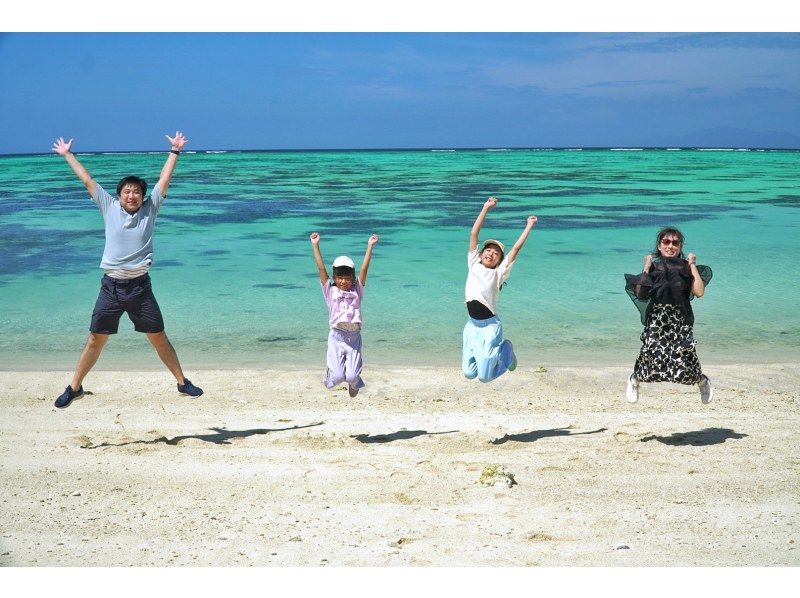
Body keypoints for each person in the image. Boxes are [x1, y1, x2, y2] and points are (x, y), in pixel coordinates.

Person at [51, 132, 203, 409]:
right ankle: (74, 388)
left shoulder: (150, 209)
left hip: (141, 287)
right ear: (119, 195)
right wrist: (68, 155)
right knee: (96, 339)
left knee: (158, 336)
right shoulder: (108, 206)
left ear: (143, 197)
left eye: (137, 192)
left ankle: (182, 382)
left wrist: (175, 152)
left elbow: (164, 181)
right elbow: (87, 181)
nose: (132, 195)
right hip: (111, 287)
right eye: (127, 192)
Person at [624, 227, 713, 404]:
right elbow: (641, 294)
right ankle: (635, 379)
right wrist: (646, 268)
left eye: (675, 243)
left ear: (680, 247)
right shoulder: (653, 267)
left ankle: (702, 381)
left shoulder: (687, 268)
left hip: (681, 319)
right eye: (666, 242)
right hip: (658, 318)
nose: (670, 246)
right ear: (659, 245)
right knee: (652, 356)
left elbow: (699, 292)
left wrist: (693, 265)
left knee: (684, 361)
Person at [463, 197, 537, 382]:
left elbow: (516, 249)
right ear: (480, 254)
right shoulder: (473, 264)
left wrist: (529, 225)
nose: (492, 254)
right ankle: (495, 358)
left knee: (485, 378)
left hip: (490, 327)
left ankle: (507, 352)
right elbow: (474, 234)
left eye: (497, 254)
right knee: (470, 373)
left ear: (499, 261)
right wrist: (486, 208)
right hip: (472, 326)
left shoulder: (498, 274)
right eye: (488, 250)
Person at [310, 231, 379, 397]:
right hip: (336, 336)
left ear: (352, 277)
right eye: (339, 277)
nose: (343, 281)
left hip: (354, 338)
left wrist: (370, 246)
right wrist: (315, 245)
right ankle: (328, 376)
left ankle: (355, 384)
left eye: (347, 277)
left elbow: (364, 268)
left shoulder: (357, 290)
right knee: (337, 378)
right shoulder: (330, 291)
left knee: (352, 376)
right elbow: (320, 268)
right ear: (334, 277)